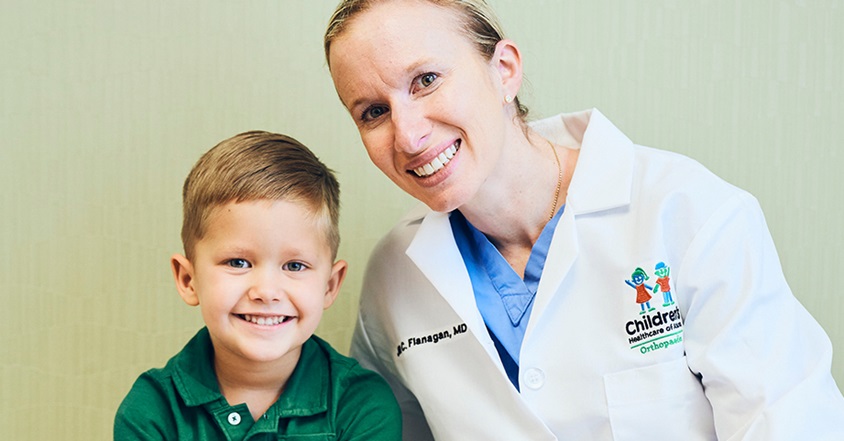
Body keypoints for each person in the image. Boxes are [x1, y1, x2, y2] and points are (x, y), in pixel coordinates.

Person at [323, 0, 844, 439]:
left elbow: (790, 422)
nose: (408, 135)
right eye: (373, 112)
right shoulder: (394, 275)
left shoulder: (688, 213)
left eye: (426, 80)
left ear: (504, 70)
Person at [114, 131, 401, 440]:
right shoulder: (151, 410)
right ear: (188, 279)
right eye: (238, 262)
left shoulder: (362, 406)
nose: (266, 292)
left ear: (329, 286)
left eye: (294, 266)